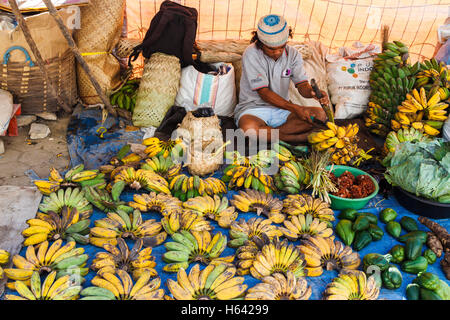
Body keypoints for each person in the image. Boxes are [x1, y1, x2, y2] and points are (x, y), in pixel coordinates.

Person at [235, 14, 331, 143]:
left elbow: (301, 84)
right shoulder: (251, 53)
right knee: (248, 128)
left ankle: (270, 135)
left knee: (320, 115)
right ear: (260, 42)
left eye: (282, 47)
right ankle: (295, 138)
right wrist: (296, 108)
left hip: (283, 110)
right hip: (253, 109)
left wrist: (311, 92)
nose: (277, 52)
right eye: (271, 49)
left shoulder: (293, 54)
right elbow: (263, 92)